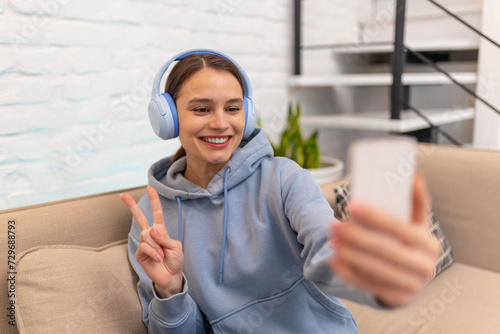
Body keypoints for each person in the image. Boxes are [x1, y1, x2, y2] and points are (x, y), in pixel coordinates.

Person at [121, 50, 440, 333]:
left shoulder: (284, 178)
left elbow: (326, 246)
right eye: (202, 109)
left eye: (232, 109)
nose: (220, 123)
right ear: (169, 119)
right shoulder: (150, 216)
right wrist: (170, 290)